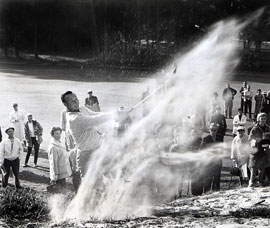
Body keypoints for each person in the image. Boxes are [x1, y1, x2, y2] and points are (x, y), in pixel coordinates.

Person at [61, 91, 113, 177]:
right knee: (93, 185)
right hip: (87, 155)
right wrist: (115, 114)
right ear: (65, 104)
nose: (76, 102)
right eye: (72, 101)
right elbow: (95, 120)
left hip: (98, 149)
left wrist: (115, 115)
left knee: (108, 177)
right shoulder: (74, 119)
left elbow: (95, 114)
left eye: (76, 99)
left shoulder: (81, 108)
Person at [248, 113, 270, 187]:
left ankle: (260, 181)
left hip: (265, 149)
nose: (263, 120)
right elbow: (250, 139)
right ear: (258, 119)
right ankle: (251, 181)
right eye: (261, 119)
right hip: (256, 149)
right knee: (254, 167)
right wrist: (256, 141)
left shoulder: (268, 128)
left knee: (262, 167)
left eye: (264, 119)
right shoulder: (255, 129)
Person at [200, 123, 223, 193]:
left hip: (217, 161)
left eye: (215, 130)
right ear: (209, 130)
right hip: (208, 162)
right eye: (212, 130)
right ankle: (207, 192)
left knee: (217, 178)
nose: (213, 132)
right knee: (208, 178)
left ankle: (216, 192)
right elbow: (202, 150)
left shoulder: (220, 138)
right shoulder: (205, 139)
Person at [47, 127, 71, 192]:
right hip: (58, 175)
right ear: (52, 134)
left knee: (62, 191)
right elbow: (53, 162)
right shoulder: (53, 147)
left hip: (62, 173)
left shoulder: (59, 143)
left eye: (60, 133)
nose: (59, 135)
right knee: (58, 192)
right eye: (56, 134)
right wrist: (56, 174)